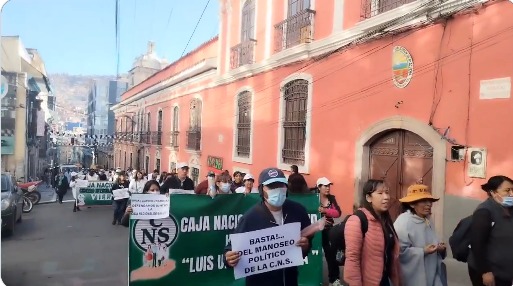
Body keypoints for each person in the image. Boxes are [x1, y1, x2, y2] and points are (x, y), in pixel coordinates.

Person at [224, 167, 312, 286]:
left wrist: (305, 246)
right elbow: (230, 250)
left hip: (290, 280)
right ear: (261, 190)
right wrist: (229, 259)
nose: (277, 190)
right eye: (272, 186)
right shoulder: (250, 218)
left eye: (281, 185)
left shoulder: (298, 211)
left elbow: (306, 243)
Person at [344, 179, 401, 286]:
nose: (386, 197)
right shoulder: (357, 220)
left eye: (387, 192)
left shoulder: (386, 220)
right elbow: (352, 258)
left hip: (385, 280)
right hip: (367, 281)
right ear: (368, 198)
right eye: (380, 193)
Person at [394, 184, 447, 286]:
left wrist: (440, 248)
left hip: (433, 273)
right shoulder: (403, 221)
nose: (429, 204)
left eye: (429, 201)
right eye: (423, 201)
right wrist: (422, 251)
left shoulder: (428, 220)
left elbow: (434, 240)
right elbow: (399, 252)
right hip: (414, 278)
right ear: (412, 204)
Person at [468, 175, 513, 286]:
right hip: (490, 274)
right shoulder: (484, 211)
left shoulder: (509, 209)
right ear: (493, 192)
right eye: (507, 191)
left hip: (506, 273)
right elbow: (477, 244)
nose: (511, 194)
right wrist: (485, 272)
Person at [316, 177, 342, 285]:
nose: (328, 188)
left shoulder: (331, 198)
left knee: (331, 255)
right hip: (315, 231)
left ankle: (334, 279)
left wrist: (325, 210)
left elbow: (338, 213)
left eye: (329, 185)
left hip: (328, 230)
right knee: (314, 255)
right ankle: (313, 279)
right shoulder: (313, 198)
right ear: (319, 187)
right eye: (325, 186)